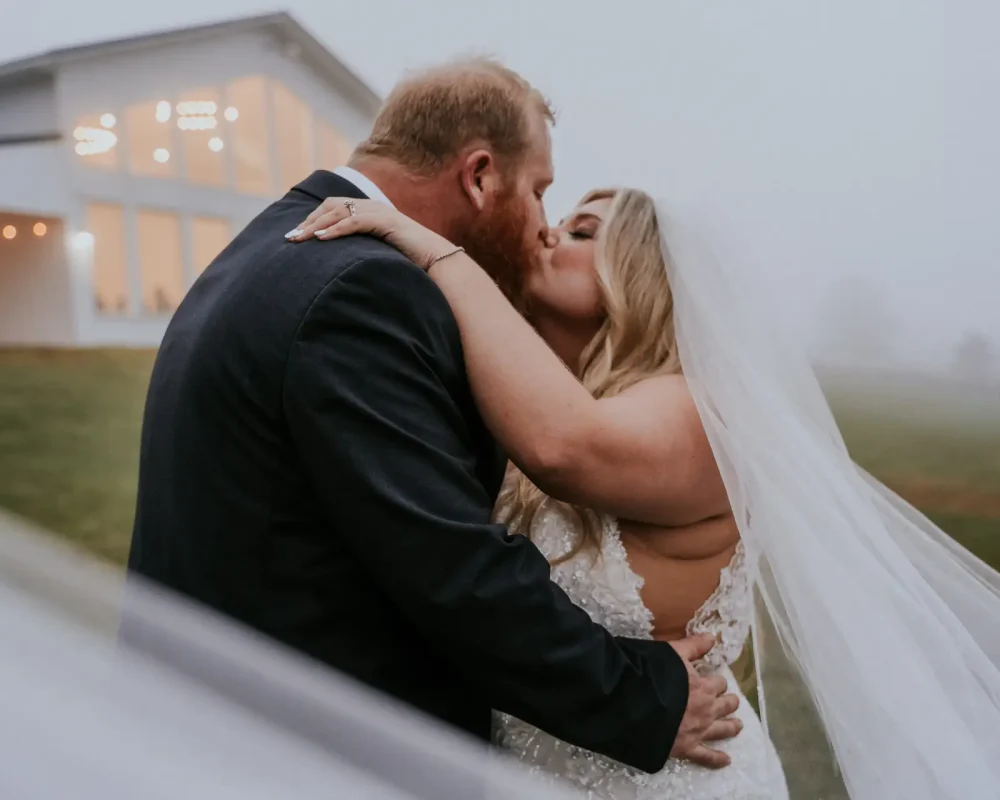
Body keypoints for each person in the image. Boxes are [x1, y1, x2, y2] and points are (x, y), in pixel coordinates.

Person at [125, 57, 740, 790]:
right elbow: (450, 564)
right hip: (311, 751)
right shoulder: (366, 286)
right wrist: (641, 696)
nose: (542, 228)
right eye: (541, 194)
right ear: (480, 176)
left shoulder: (274, 249)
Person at [290, 182, 1000, 799]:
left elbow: (569, 447)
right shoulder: (543, 402)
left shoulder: (700, 414)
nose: (548, 233)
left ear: (645, 275)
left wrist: (432, 247)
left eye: (582, 231)